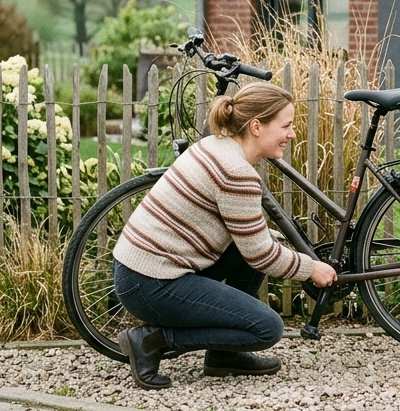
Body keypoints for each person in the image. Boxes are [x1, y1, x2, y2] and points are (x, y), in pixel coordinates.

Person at [111, 82, 338, 389]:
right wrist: (311, 269)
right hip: (151, 284)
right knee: (267, 328)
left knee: (255, 245)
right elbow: (262, 255)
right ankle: (151, 340)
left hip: (141, 272)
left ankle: (224, 356)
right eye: (286, 126)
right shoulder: (236, 173)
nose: (292, 134)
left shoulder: (215, 145)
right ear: (256, 127)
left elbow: (254, 247)